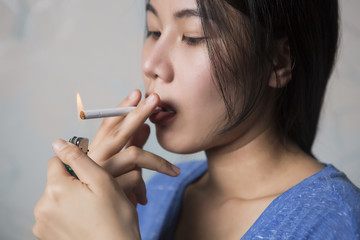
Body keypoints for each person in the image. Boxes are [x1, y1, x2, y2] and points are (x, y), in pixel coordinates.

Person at [33, 0, 360, 239]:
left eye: (193, 36)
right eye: (154, 30)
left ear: (278, 61)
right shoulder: (148, 194)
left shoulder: (336, 222)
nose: (153, 65)